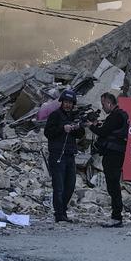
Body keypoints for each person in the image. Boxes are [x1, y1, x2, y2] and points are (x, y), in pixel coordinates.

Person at [43, 90, 85, 222]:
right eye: (66, 102)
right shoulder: (55, 115)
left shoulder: (74, 116)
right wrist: (63, 128)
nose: (68, 105)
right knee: (59, 186)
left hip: (70, 155)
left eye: (70, 103)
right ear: (62, 102)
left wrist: (77, 127)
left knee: (70, 185)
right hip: (57, 155)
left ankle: (62, 210)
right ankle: (59, 214)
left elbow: (80, 135)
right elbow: (48, 133)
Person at [90, 91, 129, 227]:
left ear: (108, 102)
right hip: (115, 154)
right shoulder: (118, 116)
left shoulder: (115, 116)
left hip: (113, 155)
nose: (103, 107)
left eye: (103, 104)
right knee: (113, 184)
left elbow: (103, 132)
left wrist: (90, 125)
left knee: (113, 185)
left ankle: (116, 217)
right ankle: (116, 215)